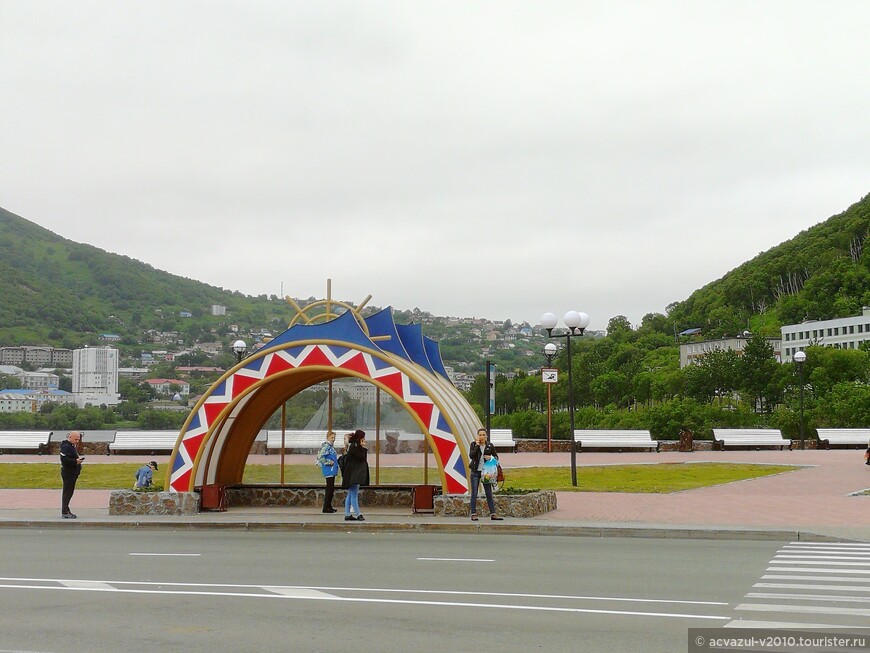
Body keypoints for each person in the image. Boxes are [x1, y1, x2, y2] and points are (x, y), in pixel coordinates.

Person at [468, 428, 503, 521]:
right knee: (474, 493)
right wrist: (476, 446)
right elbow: (471, 456)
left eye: (483, 435)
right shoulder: (473, 444)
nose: (482, 437)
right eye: (480, 435)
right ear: (477, 436)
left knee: (488, 492)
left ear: (486, 436)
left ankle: (493, 513)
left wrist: (490, 457)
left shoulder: (489, 446)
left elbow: (496, 457)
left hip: (486, 472)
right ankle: (473, 514)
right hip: (475, 471)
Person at [341, 429, 370, 521]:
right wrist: (364, 447)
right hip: (354, 474)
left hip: (353, 473)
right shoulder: (354, 447)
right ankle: (358, 514)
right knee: (354, 494)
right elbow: (362, 458)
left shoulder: (354, 446)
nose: (364, 440)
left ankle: (347, 514)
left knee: (350, 494)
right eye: (363, 438)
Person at [59, 431, 84, 519]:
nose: (77, 441)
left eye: (78, 439)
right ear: (70, 437)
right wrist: (75, 462)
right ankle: (65, 511)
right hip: (68, 472)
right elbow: (64, 460)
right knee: (67, 492)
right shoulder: (66, 447)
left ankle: (66, 509)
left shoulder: (71, 446)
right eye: (75, 439)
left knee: (69, 491)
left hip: (72, 472)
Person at [316, 432, 339, 513]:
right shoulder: (326, 446)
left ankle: (328, 506)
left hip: (331, 470)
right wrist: (329, 462)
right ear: (328, 437)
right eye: (332, 437)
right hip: (329, 469)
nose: (333, 439)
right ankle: (326, 507)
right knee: (329, 489)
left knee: (331, 488)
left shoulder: (330, 447)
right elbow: (320, 456)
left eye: (334, 437)